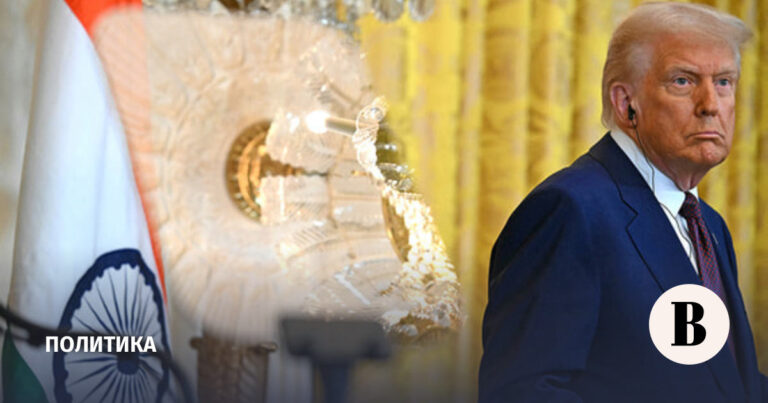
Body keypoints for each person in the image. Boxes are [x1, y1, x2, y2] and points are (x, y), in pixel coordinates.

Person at [479, 3, 768, 402]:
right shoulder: (570, 210)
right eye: (683, 81)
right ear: (626, 103)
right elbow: (523, 390)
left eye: (723, 82)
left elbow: (722, 382)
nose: (710, 104)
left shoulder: (708, 225)